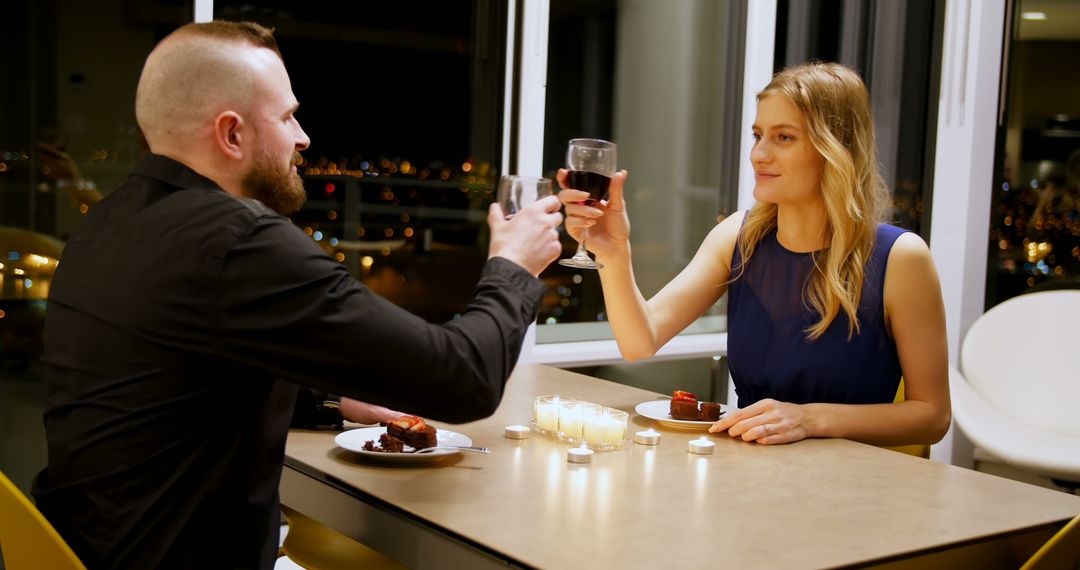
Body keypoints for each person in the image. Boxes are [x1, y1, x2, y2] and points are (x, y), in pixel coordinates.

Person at [33, 20, 563, 569]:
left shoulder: (103, 228)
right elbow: (465, 379)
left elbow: (183, 377)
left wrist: (338, 401)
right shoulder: (238, 240)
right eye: (286, 117)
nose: (303, 136)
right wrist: (514, 266)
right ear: (232, 134)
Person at [558, 62, 950, 448]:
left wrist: (810, 418)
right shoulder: (738, 236)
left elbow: (932, 416)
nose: (759, 154)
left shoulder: (900, 258)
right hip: (750, 477)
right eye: (758, 135)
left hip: (856, 489)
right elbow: (639, 341)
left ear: (834, 149)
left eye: (784, 138)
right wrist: (613, 252)